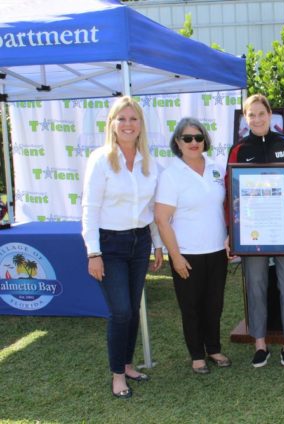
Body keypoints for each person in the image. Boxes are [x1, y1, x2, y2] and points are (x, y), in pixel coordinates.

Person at [81, 96, 163, 399]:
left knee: (131, 310)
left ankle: (128, 364)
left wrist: (156, 246)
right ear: (112, 124)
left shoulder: (149, 162)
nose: (128, 125)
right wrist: (94, 252)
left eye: (133, 119)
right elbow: (90, 209)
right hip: (110, 245)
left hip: (139, 241)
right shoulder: (100, 159)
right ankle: (118, 375)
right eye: (122, 119)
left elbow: (152, 208)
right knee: (121, 311)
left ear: (141, 125)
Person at [226, 94, 284, 368]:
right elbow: (230, 192)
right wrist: (231, 231)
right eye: (252, 115)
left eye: (261, 114)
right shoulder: (238, 149)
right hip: (252, 231)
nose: (257, 119)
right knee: (256, 285)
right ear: (245, 118)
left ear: (270, 115)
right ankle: (259, 343)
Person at [155, 118, 231, 375]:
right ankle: (197, 355)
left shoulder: (216, 168)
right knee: (191, 307)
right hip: (186, 253)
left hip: (217, 250)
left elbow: (228, 207)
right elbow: (162, 220)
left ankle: (214, 348)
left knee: (214, 304)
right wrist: (174, 257)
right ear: (177, 142)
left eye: (198, 137)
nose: (193, 143)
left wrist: (231, 236)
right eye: (187, 138)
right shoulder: (170, 175)